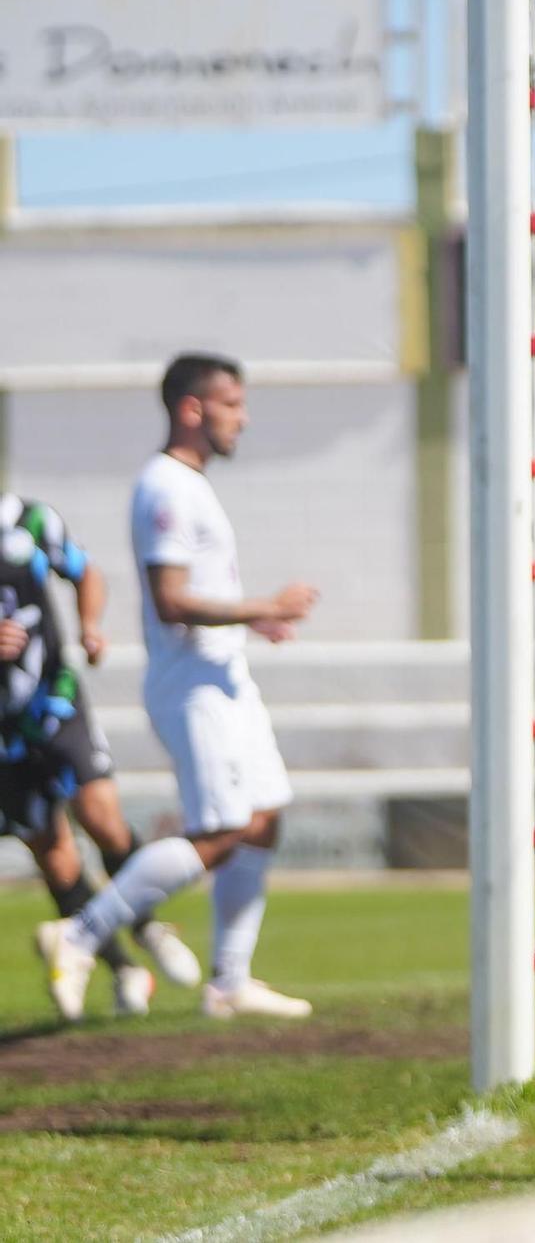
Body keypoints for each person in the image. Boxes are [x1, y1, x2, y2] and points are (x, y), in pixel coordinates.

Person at [36, 353, 318, 1020]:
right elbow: (171, 600)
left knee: (264, 817)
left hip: (223, 677)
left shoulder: (190, 483)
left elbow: (200, 595)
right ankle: (78, 934)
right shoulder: (165, 486)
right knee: (219, 830)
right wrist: (263, 607)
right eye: (232, 405)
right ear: (194, 408)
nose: (242, 419)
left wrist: (253, 625)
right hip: (191, 687)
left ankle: (229, 981)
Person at [0, 494, 202, 1020]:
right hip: (2, 735)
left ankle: (147, 925)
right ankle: (124, 968)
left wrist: (91, 625)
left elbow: (86, 572)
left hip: (55, 702)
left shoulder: (30, 520)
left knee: (102, 818)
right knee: (52, 849)